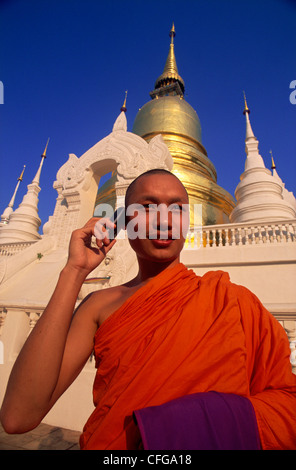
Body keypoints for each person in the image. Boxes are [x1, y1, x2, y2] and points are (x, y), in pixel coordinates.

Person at [1, 169, 296, 450]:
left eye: (177, 208)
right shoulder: (99, 306)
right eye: (148, 207)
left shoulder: (231, 301)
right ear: (124, 220)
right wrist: (74, 271)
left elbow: (286, 401)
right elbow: (19, 416)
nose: (164, 220)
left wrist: (197, 423)